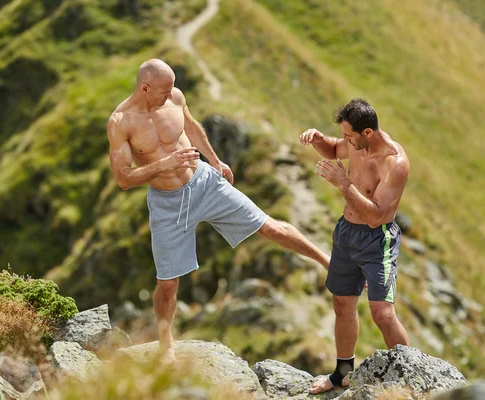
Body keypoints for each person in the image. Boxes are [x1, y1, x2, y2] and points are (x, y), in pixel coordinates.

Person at [107, 58, 330, 363]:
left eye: (172, 89)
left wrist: (214, 159)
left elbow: (192, 126)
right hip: (168, 203)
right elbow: (123, 178)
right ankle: (165, 342)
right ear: (144, 87)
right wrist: (163, 165)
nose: (169, 95)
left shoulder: (175, 97)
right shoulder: (121, 122)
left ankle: (327, 261)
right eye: (163, 91)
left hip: (204, 182)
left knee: (268, 226)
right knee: (168, 283)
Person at [299, 98, 411, 394]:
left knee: (382, 313)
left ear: (368, 133)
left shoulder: (394, 163)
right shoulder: (354, 143)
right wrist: (318, 139)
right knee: (342, 303)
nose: (345, 142)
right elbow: (333, 148)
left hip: (378, 240)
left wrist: (342, 183)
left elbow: (376, 217)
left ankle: (411, 376)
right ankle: (342, 374)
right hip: (346, 233)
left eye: (349, 136)